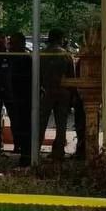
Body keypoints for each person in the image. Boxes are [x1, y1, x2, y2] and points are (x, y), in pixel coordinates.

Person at [39, 29, 76, 158]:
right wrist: (72, 95)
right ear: (60, 38)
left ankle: (36, 149)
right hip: (63, 92)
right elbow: (71, 77)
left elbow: (37, 76)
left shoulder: (42, 54)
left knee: (41, 122)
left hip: (46, 91)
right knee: (61, 123)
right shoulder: (66, 55)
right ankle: (59, 151)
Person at [6, 32, 34, 165]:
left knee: (25, 127)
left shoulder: (26, 59)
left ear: (21, 44)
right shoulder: (12, 59)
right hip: (15, 99)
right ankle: (23, 152)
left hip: (24, 100)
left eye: (13, 43)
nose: (10, 46)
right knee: (18, 127)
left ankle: (27, 155)